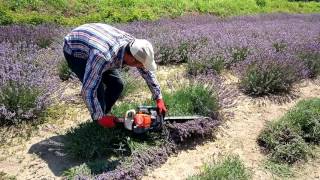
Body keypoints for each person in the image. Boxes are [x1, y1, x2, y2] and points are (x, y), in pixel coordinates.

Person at [63, 23, 167, 128]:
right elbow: (88, 90)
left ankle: (104, 114)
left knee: (117, 85)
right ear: (130, 58)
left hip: (96, 40)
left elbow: (147, 72)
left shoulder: (135, 46)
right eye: (140, 64)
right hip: (75, 50)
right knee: (97, 89)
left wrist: (159, 98)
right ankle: (99, 123)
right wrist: (100, 118)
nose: (142, 67)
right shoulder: (102, 56)